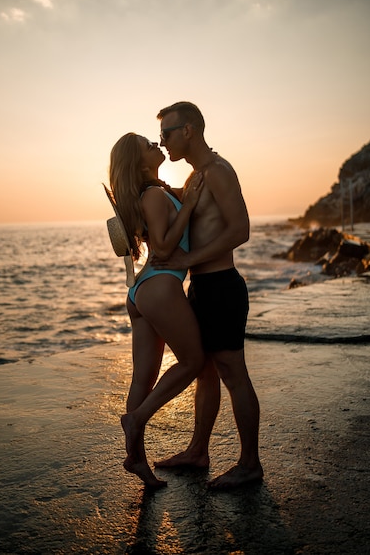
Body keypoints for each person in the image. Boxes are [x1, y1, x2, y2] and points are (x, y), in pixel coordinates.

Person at [152, 102, 263, 489]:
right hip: (201, 287)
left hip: (222, 287)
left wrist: (189, 258)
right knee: (205, 372)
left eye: (167, 133)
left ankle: (250, 464)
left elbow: (240, 230)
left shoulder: (218, 171)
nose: (162, 141)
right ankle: (198, 451)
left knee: (233, 372)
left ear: (189, 130)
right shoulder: (197, 177)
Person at [108, 132, 205, 489]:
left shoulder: (153, 191)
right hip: (160, 284)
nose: (156, 145)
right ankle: (137, 419)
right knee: (193, 362)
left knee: (142, 380)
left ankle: (137, 461)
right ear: (138, 162)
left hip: (140, 292)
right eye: (148, 145)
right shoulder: (151, 196)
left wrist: (186, 195)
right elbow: (164, 248)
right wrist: (190, 206)